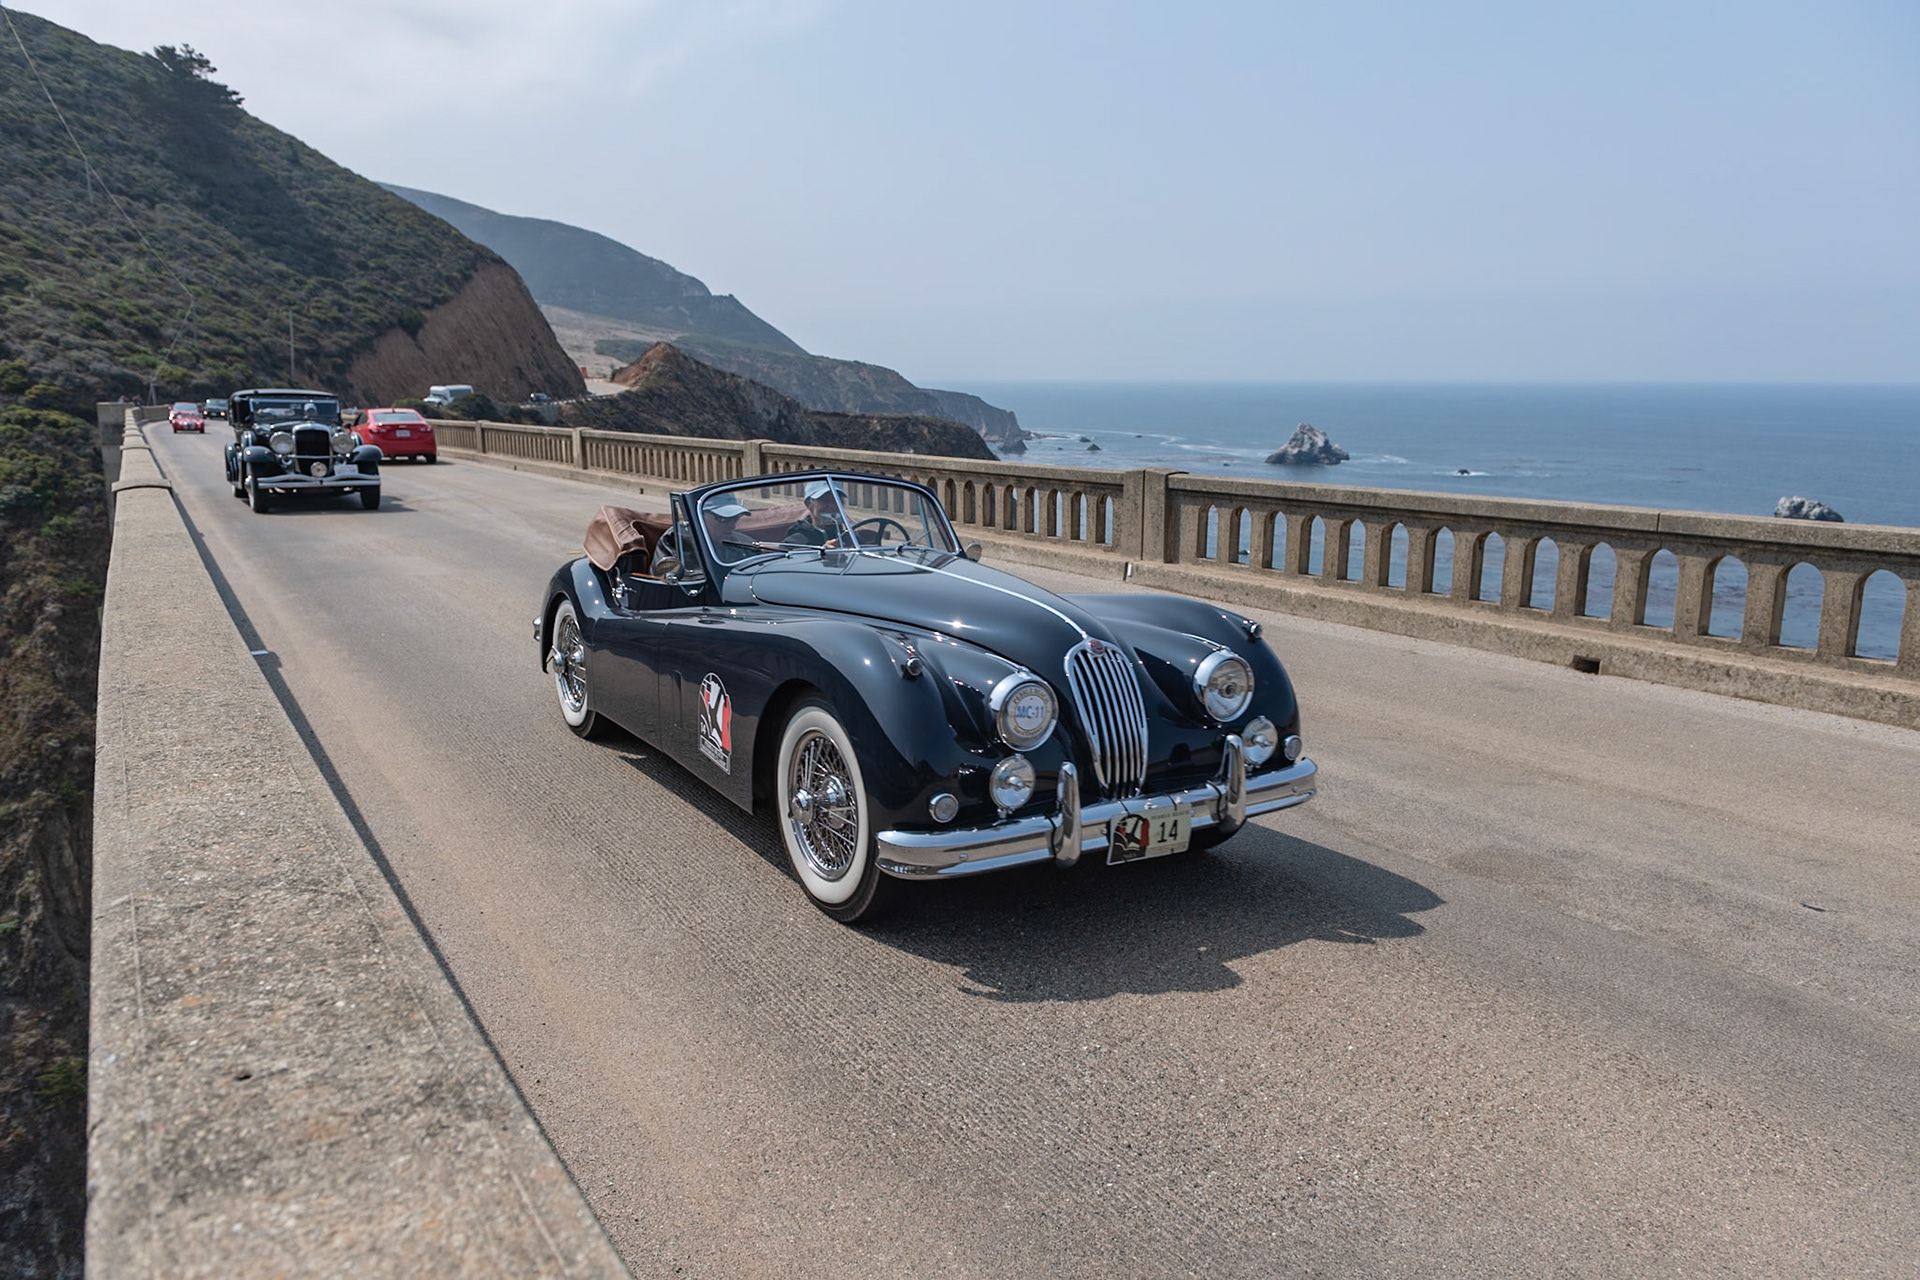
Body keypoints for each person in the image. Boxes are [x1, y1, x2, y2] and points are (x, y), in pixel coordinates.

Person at [782, 480, 850, 548]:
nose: (832, 506)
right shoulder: (796, 542)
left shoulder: (850, 537)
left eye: (837, 500)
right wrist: (822, 553)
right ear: (809, 504)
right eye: (824, 500)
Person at [700, 498, 762, 563]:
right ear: (701, 516)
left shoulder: (746, 547)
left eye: (735, 518)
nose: (732, 526)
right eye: (722, 519)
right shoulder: (690, 549)